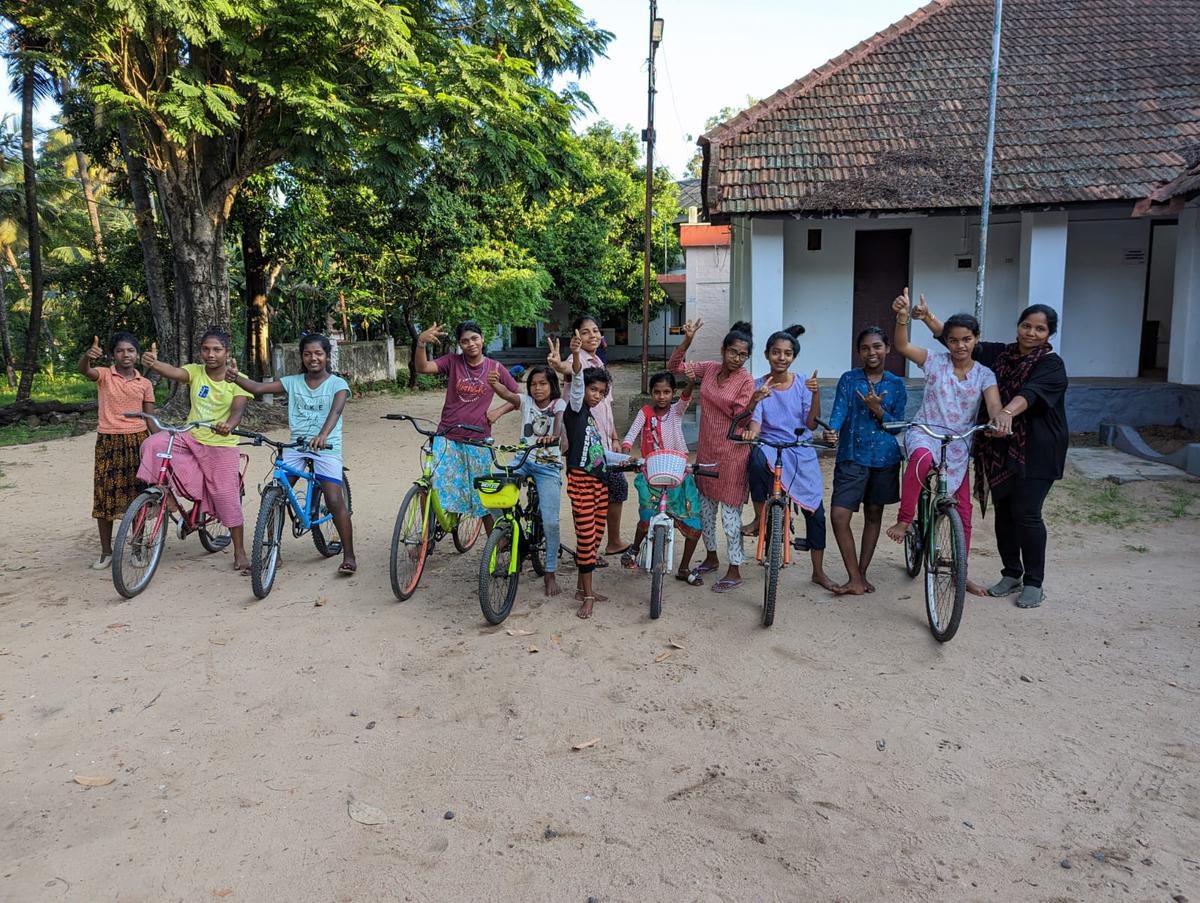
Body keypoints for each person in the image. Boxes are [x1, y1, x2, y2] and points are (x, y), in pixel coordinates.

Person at [912, 298, 1068, 608]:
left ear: (1049, 333)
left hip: (1037, 448)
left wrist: (1006, 413)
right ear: (1018, 326)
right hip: (998, 446)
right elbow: (958, 338)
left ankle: (1034, 582)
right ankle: (1011, 572)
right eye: (1027, 326)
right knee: (1005, 511)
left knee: (1027, 513)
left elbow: (1030, 393)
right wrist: (927, 317)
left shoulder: (1051, 364)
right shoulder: (1002, 354)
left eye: (1040, 329)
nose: (1031, 333)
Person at [886, 290, 1008, 589]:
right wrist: (902, 318)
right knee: (921, 460)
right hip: (926, 432)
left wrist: (998, 420)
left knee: (963, 513)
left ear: (976, 339)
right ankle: (904, 520)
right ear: (947, 341)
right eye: (953, 340)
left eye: (966, 339)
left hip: (958, 443)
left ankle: (959, 573)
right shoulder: (934, 361)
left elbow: (993, 405)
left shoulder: (985, 375)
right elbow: (901, 345)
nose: (960, 345)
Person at [227, 334, 357, 574]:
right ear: (302, 357)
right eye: (307, 354)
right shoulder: (293, 381)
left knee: (334, 499)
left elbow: (336, 411)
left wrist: (323, 434)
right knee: (274, 492)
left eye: (318, 353)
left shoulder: (338, 385)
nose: (313, 358)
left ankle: (349, 555)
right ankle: (272, 554)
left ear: (327, 356)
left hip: (326, 447)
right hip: (296, 447)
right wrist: (237, 378)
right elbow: (258, 387)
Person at [138, 328, 255, 573]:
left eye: (216, 350)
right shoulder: (195, 371)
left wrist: (229, 426)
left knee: (226, 497)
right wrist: (155, 363)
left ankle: (240, 551)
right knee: (154, 444)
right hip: (191, 436)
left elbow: (237, 411)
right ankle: (164, 500)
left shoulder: (237, 378)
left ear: (226, 352)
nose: (210, 354)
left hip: (221, 445)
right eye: (206, 349)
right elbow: (175, 372)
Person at [739, 326, 836, 590]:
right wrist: (751, 434)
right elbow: (756, 424)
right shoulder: (759, 385)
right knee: (756, 458)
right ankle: (761, 518)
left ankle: (818, 570)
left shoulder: (804, 383)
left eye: (787, 353)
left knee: (815, 511)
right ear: (767, 354)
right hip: (770, 444)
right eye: (776, 352)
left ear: (793, 357)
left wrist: (816, 393)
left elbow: (811, 424)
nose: (781, 357)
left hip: (800, 448)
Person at [668, 318, 755, 594]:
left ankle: (735, 569)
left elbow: (740, 417)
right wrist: (687, 341)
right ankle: (712, 556)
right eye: (733, 352)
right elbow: (674, 368)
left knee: (730, 517)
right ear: (723, 349)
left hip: (733, 455)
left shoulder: (746, 381)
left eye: (743, 354)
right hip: (706, 451)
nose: (737, 358)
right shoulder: (709, 368)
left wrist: (750, 402)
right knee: (705, 512)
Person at [411, 321, 520, 533]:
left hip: (478, 440)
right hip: (447, 436)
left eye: (474, 338)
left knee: (484, 494)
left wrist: (498, 412)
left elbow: (518, 397)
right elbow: (422, 368)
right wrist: (421, 343)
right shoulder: (452, 361)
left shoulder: (495, 368)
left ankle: (495, 544)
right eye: (465, 341)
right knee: (431, 484)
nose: (470, 344)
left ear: (482, 339)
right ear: (460, 344)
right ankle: (423, 536)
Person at [823, 327, 908, 595]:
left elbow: (897, 426)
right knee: (839, 515)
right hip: (851, 456)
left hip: (885, 459)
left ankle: (861, 574)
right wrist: (832, 430)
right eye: (865, 348)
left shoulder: (896, 384)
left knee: (874, 514)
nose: (872, 352)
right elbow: (838, 412)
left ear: (887, 349)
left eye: (877, 347)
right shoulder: (849, 380)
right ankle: (855, 576)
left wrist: (877, 409)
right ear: (858, 352)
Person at [548, 315, 630, 561]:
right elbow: (567, 369)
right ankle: (589, 550)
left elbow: (607, 406)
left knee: (610, 489)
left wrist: (614, 436)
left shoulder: (600, 364)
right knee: (585, 499)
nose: (592, 336)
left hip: (602, 440)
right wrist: (557, 363)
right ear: (577, 337)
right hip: (581, 444)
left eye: (595, 331)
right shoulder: (579, 361)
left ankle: (606, 544)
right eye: (585, 332)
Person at [487, 361, 567, 597]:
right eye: (533, 384)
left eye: (543, 384)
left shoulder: (558, 404)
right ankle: (509, 533)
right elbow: (509, 394)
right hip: (522, 459)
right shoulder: (526, 402)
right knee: (493, 487)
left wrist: (553, 436)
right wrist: (495, 384)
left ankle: (550, 571)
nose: (537, 388)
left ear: (552, 385)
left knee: (551, 521)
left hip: (548, 465)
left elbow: (560, 424)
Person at [79, 332, 158, 570]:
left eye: (130, 351)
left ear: (137, 354)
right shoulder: (104, 375)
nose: (126, 355)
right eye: (121, 351)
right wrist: (87, 357)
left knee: (139, 496)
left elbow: (150, 418)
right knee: (104, 497)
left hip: (137, 442)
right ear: (113, 355)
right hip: (108, 442)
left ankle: (136, 548)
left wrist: (161, 441)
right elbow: (85, 370)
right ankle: (106, 552)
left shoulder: (145, 383)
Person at [620, 369, 704, 585]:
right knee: (647, 517)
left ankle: (684, 568)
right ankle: (635, 548)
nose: (662, 396)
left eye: (667, 392)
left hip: (678, 470)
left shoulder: (677, 411)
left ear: (673, 393)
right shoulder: (645, 412)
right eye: (657, 392)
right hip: (652, 471)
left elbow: (686, 398)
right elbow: (632, 432)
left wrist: (691, 381)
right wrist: (627, 447)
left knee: (694, 524)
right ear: (651, 393)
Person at [559, 330, 616, 618]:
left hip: (600, 483)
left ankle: (583, 589)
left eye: (602, 393)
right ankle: (588, 596)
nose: (597, 396)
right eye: (595, 390)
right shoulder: (576, 409)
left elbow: (600, 454)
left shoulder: (593, 419)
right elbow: (578, 383)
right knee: (585, 537)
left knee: (595, 539)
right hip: (580, 480)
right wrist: (578, 355)